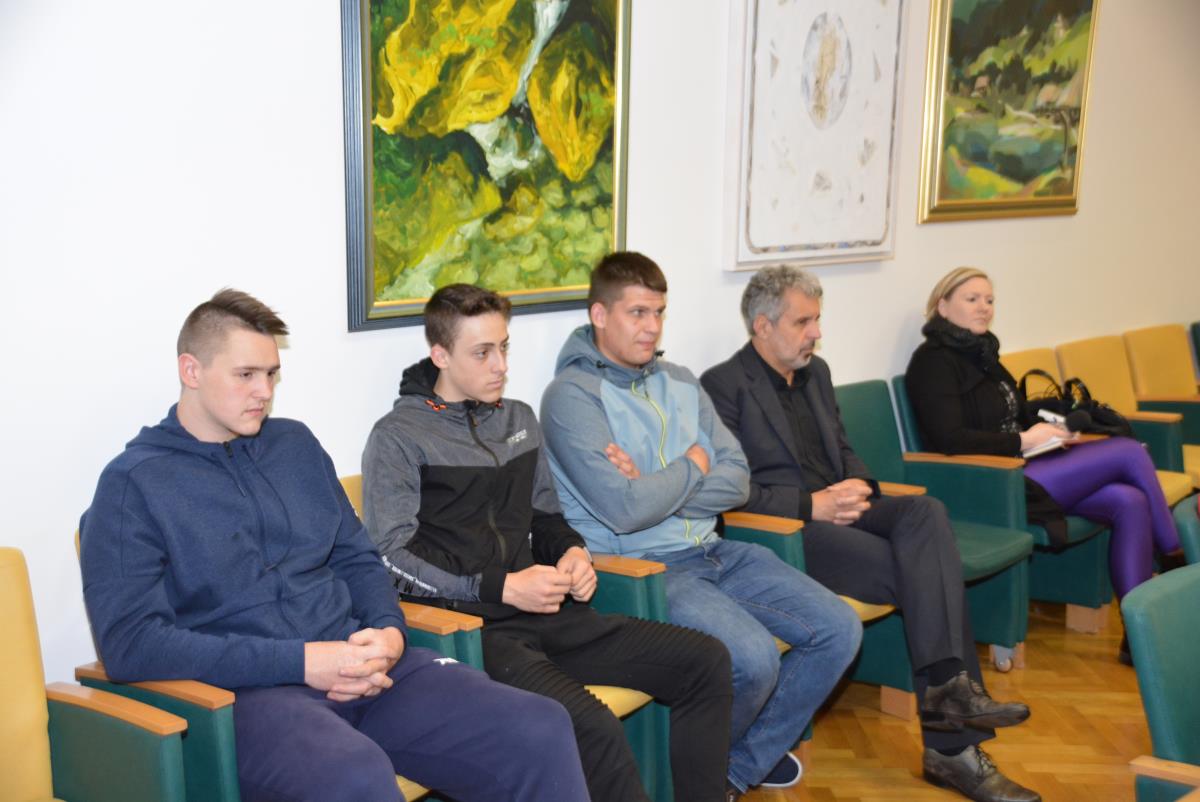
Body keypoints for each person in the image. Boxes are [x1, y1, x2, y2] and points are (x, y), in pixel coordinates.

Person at [80, 289, 589, 802]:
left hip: (364, 665)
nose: (263, 391)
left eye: (271, 374)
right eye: (245, 375)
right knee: (353, 776)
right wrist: (301, 662)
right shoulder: (133, 484)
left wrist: (388, 631)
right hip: (251, 694)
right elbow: (130, 644)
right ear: (191, 370)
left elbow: (356, 556)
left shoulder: (294, 445)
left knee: (538, 726)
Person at [361, 283, 734, 802]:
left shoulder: (518, 419)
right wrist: (501, 587)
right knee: (593, 728)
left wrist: (572, 552)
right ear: (440, 355)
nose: (500, 365)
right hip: (473, 634)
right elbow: (390, 558)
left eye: (504, 347)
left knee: (706, 660)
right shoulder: (398, 437)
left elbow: (545, 516)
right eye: (482, 353)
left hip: (549, 613)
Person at [701, 265, 1038, 802]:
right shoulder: (723, 387)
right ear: (763, 326)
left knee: (926, 513)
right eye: (803, 322)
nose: (816, 333)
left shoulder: (817, 372)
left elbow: (842, 446)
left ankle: (950, 699)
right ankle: (953, 745)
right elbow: (728, 492)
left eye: (817, 320)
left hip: (845, 504)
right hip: (788, 530)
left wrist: (858, 483)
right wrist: (812, 505)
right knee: (925, 571)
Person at [539, 251, 863, 800]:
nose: (652, 327)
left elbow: (737, 480)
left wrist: (653, 484)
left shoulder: (681, 380)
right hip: (640, 568)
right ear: (599, 315)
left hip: (715, 550)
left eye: (659, 312)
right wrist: (692, 464)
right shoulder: (571, 397)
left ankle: (730, 770)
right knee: (753, 658)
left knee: (840, 629)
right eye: (637, 313)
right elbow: (624, 511)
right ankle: (703, 775)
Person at [905, 267, 1186, 658]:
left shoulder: (984, 353)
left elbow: (1016, 414)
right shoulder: (931, 363)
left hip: (1028, 463)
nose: (984, 307)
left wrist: (1053, 429)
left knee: (1130, 501)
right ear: (943, 306)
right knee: (1128, 451)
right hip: (992, 482)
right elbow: (947, 439)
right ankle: (1177, 557)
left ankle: (1137, 634)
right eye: (972, 299)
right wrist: (1023, 440)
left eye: (989, 300)